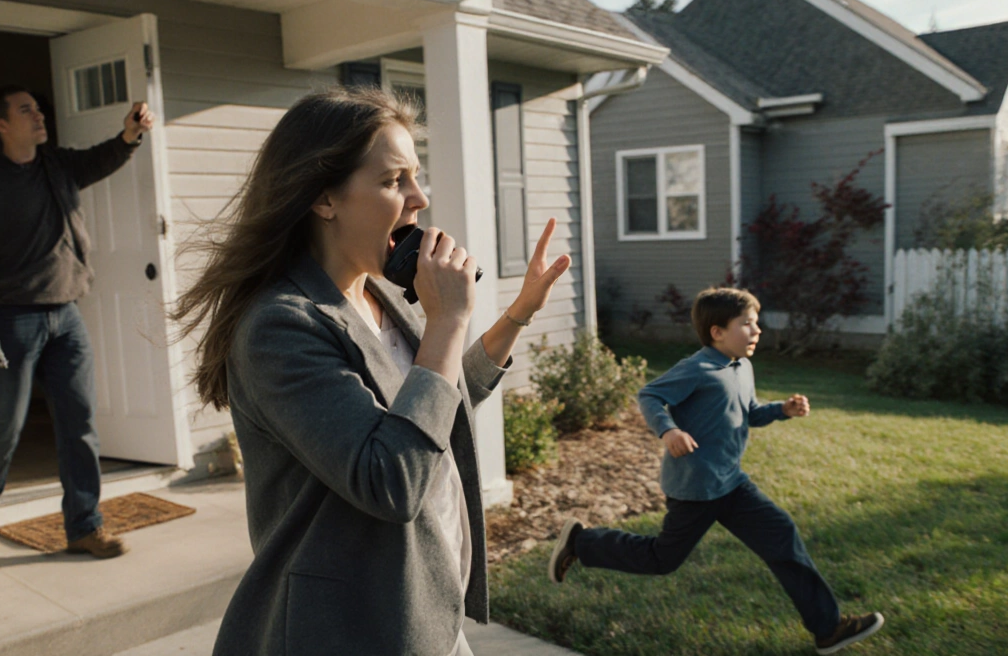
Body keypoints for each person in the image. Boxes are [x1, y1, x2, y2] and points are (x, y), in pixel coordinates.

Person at [170, 87, 571, 656]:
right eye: (393, 181)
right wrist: (447, 322)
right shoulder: (280, 327)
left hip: (422, 611)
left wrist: (515, 315)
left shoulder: (380, 297)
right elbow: (391, 479)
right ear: (325, 198)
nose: (420, 198)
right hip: (348, 627)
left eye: (415, 176)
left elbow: (430, 409)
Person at [548, 287, 884, 655]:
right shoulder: (698, 368)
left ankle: (829, 629)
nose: (757, 331)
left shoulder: (743, 367)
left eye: (757, 323)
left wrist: (781, 410)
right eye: (747, 324)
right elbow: (650, 395)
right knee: (662, 559)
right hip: (695, 490)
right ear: (717, 332)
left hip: (732, 484)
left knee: (782, 536)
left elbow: (750, 412)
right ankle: (581, 542)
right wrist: (669, 429)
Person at [0, 85, 155, 560]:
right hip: (8, 319)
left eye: (38, 109)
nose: (39, 116)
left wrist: (129, 135)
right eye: (26, 111)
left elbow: (102, 159)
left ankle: (84, 526)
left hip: (67, 315)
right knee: (3, 423)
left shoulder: (57, 165)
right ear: (1, 125)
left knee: (80, 422)